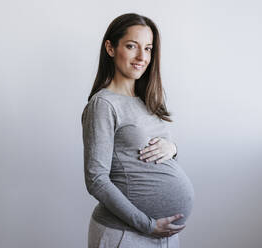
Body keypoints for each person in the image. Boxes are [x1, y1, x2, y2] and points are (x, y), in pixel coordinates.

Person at [81, 13, 195, 248]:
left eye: (149, 48)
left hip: (165, 235)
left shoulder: (148, 99)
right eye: (132, 46)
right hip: (126, 234)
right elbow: (96, 180)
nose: (142, 57)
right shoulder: (103, 104)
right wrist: (147, 224)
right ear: (111, 48)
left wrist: (173, 149)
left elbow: (154, 154)